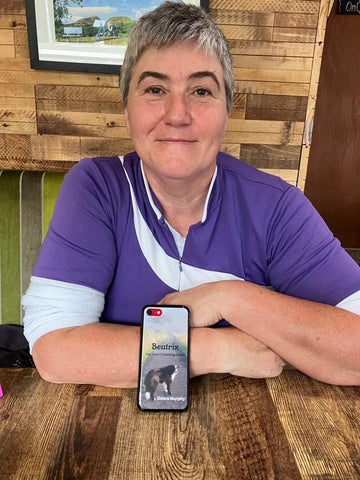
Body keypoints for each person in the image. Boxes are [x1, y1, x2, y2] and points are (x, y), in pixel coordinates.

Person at [22, 1, 360, 388]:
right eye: (155, 89)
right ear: (127, 109)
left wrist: (231, 298)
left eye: (201, 90)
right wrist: (215, 349)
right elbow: (54, 350)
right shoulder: (97, 187)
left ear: (227, 110)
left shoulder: (276, 207)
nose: (177, 113)